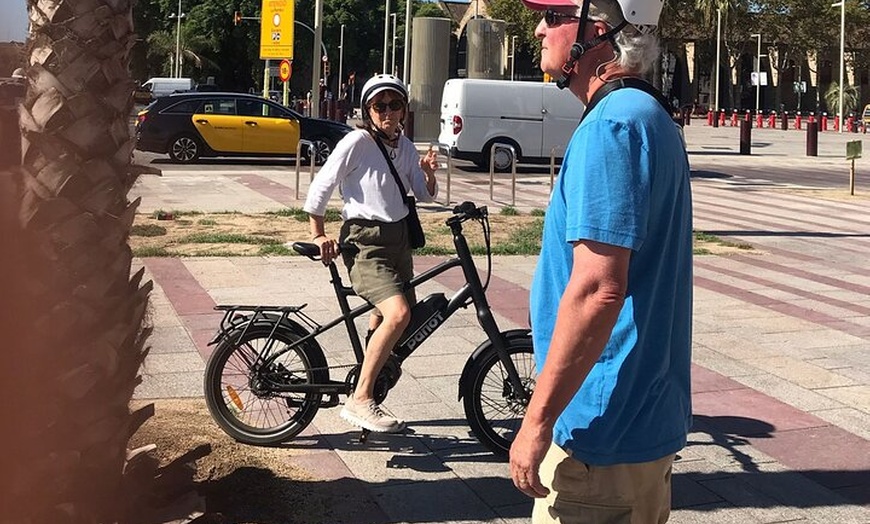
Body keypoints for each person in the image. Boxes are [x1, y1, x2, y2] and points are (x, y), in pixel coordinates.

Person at [509, 0, 693, 522]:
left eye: (553, 16)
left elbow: (597, 291)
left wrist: (537, 421)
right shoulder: (647, 115)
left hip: (600, 432)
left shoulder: (612, 127)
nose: (540, 28)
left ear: (596, 31)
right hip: (638, 422)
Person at [303, 74, 439, 433]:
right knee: (398, 314)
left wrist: (428, 174)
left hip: (399, 240)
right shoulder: (357, 142)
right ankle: (360, 399)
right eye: (380, 106)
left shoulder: (406, 147)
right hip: (365, 242)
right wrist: (318, 234)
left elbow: (424, 198)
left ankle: (370, 383)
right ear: (368, 111)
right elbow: (322, 185)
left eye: (395, 104)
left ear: (404, 110)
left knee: (393, 320)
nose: (388, 112)